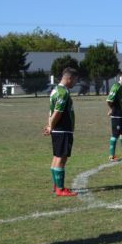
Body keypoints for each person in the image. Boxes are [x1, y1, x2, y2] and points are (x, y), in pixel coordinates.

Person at [44, 67, 79, 196]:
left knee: (56, 157)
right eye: (75, 80)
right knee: (61, 158)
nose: (75, 82)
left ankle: (56, 185)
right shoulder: (63, 92)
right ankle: (60, 189)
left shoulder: (55, 91)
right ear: (69, 78)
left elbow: (51, 111)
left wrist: (50, 126)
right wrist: (51, 126)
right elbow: (57, 112)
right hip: (63, 129)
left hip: (58, 130)